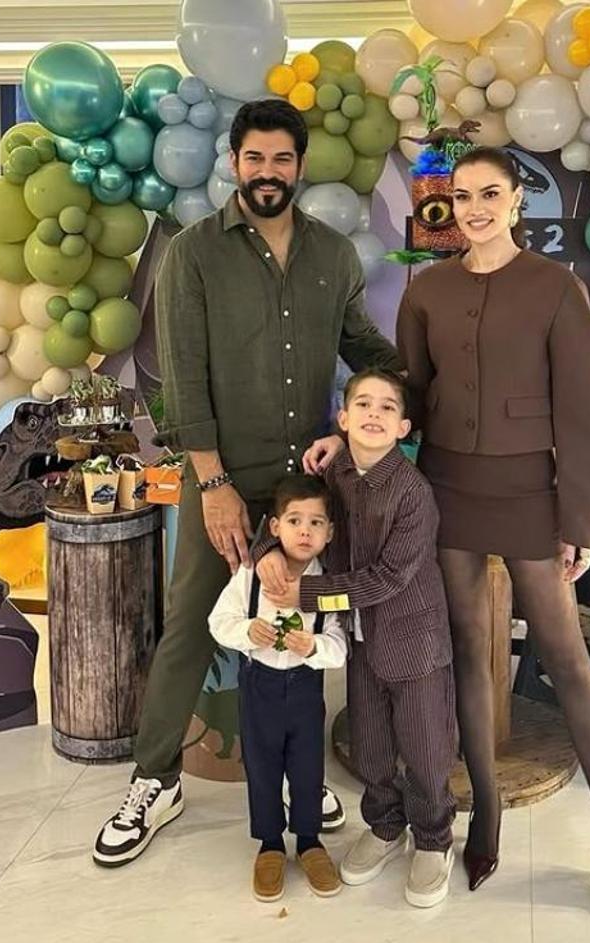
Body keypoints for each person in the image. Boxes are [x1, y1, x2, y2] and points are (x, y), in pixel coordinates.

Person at [92, 99, 401, 868]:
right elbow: (182, 378)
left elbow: (361, 345)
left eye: (282, 159)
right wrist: (214, 484)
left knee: (304, 614)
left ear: (300, 166)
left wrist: (406, 385)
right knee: (192, 623)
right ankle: (155, 781)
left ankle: (302, 779)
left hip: (305, 486)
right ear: (234, 162)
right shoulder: (193, 252)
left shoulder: (333, 254)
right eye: (254, 158)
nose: (268, 172)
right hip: (221, 478)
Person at [395, 147, 590, 932]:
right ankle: (488, 815)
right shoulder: (426, 291)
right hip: (448, 488)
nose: (474, 208)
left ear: (515, 202)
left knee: (566, 659)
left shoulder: (556, 287)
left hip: (532, 491)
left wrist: (584, 519)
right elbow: (413, 396)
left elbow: (589, 409)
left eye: (489, 194)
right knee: (470, 652)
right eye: (462, 195)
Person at [258, 369, 457, 909]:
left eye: (387, 407)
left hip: (413, 639)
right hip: (361, 641)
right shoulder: (333, 471)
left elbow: (389, 578)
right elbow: (292, 511)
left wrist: (306, 593)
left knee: (425, 746)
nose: (374, 413)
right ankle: (385, 826)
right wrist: (267, 551)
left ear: (404, 427)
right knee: (370, 742)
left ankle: (434, 838)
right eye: (363, 404)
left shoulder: (413, 493)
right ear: (342, 419)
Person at [208, 475, 346, 902]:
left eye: (316, 523)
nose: (305, 532)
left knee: (307, 767)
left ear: (330, 532)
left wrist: (313, 646)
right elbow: (219, 621)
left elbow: (340, 646)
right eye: (294, 520)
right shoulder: (250, 577)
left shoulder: (328, 584)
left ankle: (309, 841)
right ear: (274, 527)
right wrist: (248, 631)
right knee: (262, 766)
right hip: (259, 686)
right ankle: (270, 845)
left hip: (305, 688)